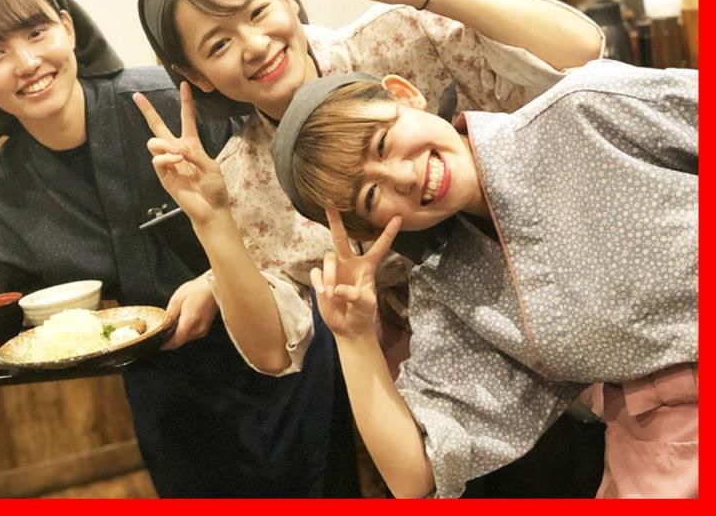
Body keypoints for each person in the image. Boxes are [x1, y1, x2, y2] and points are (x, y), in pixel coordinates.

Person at [135, 0, 606, 497]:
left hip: (585, 291)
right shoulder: (243, 178)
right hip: (457, 390)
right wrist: (212, 219)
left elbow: (581, 52)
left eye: (257, 11)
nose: (255, 45)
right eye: (218, 44)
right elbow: (272, 350)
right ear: (196, 76)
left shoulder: (397, 38)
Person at [0, 0, 359, 498]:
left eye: (37, 33)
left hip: (287, 352)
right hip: (168, 393)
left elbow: (287, 209)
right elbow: (27, 306)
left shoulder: (173, 101)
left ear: (68, 28)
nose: (27, 62)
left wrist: (216, 280)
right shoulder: (5, 188)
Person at [270, 59, 698, 498]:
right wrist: (354, 337)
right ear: (369, 229)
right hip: (670, 445)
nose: (405, 176)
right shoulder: (452, 290)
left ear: (404, 94)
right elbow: (414, 475)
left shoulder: (582, 107)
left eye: (382, 143)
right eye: (371, 194)